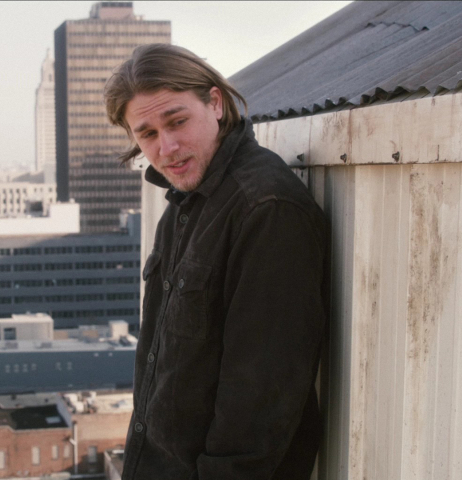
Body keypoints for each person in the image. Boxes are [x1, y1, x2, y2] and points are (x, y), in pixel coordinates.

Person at [104, 44, 329, 480]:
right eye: (147, 134)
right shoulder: (186, 201)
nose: (167, 147)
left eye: (177, 121)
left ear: (215, 103)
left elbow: (261, 401)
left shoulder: (266, 208)